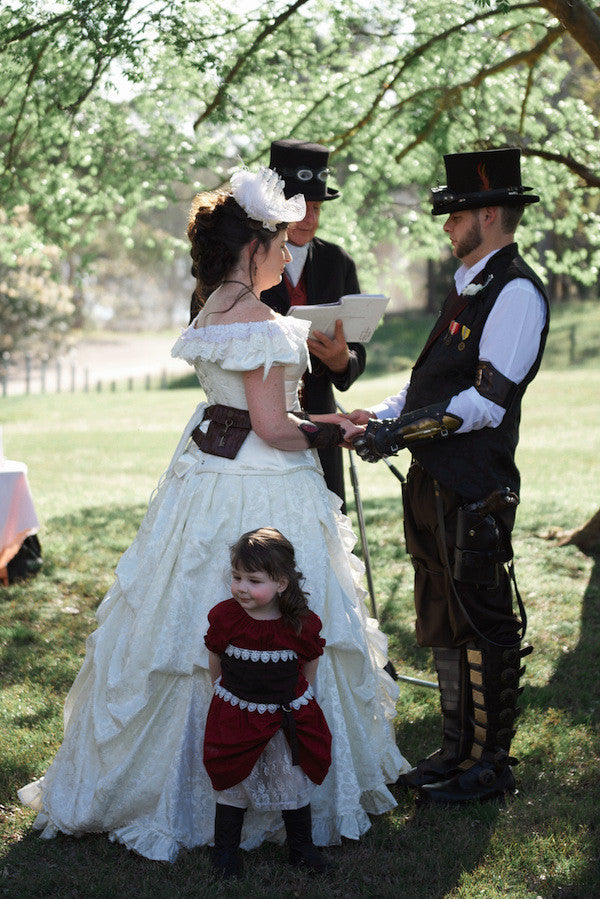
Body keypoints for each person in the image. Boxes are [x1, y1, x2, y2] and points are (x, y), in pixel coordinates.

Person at [19, 164, 409, 862]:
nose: (289, 256)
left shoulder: (209, 312)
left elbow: (253, 411)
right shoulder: (263, 322)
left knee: (180, 621)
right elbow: (274, 426)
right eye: (280, 244)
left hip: (204, 476)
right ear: (252, 249)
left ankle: (185, 780)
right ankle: (256, 794)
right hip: (263, 485)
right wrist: (336, 430)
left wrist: (323, 414)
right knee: (271, 609)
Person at [350, 148, 549, 804]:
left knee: (484, 623)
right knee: (443, 618)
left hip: (475, 487)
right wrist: (375, 418)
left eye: (455, 214)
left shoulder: (515, 291)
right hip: (433, 484)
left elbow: (486, 403)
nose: (446, 225)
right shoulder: (467, 285)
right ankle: (456, 748)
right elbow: (422, 386)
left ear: (487, 215)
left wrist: (395, 434)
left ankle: (490, 763)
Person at [204, 527, 332, 878]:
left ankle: (302, 848)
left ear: (281, 583)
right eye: (237, 577)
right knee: (233, 781)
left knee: (291, 779)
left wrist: (304, 695)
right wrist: (220, 689)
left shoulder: (300, 624)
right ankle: (225, 850)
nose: (242, 587)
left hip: (284, 716)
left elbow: (309, 663)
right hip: (238, 713)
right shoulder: (226, 618)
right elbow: (214, 655)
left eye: (254, 580)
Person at [260, 139, 366, 510]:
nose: (310, 218)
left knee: (324, 520)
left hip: (321, 417)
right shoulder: (246, 261)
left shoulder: (338, 262)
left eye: (317, 207)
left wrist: (341, 361)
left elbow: (356, 352)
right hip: (262, 423)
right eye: (300, 207)